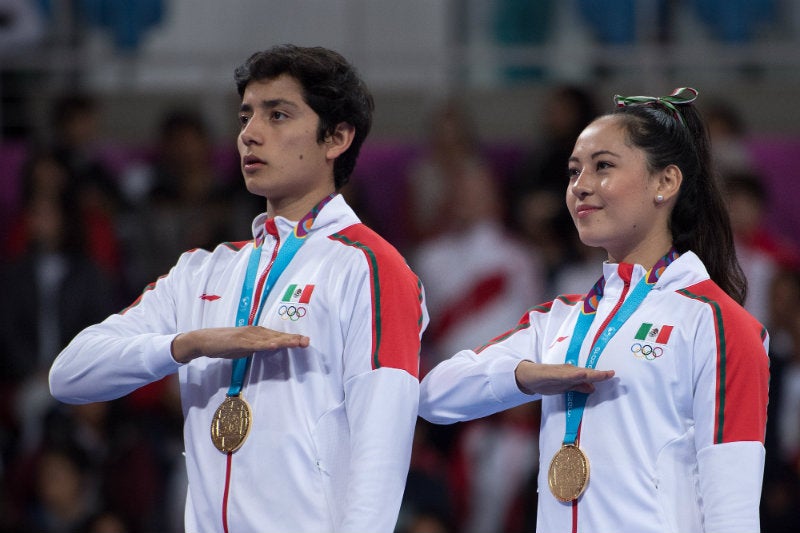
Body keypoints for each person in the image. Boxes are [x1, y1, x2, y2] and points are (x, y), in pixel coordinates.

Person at [49, 44, 429, 533]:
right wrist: (189, 344)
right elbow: (70, 376)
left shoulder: (374, 269)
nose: (249, 134)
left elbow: (383, 450)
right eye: (246, 116)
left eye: (278, 115)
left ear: (336, 137)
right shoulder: (202, 272)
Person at [419, 87, 769, 533]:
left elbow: (733, 514)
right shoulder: (557, 320)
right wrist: (525, 376)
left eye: (603, 167)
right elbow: (434, 396)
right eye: (573, 171)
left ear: (665, 182)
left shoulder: (716, 324)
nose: (580, 186)